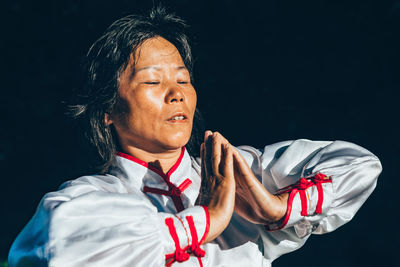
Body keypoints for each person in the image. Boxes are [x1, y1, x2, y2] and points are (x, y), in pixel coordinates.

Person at [8, 7, 382, 267]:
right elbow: (54, 249)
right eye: (153, 81)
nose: (177, 93)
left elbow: (360, 164)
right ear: (106, 110)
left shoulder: (236, 176)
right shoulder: (94, 200)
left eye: (183, 79)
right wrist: (205, 220)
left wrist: (279, 208)